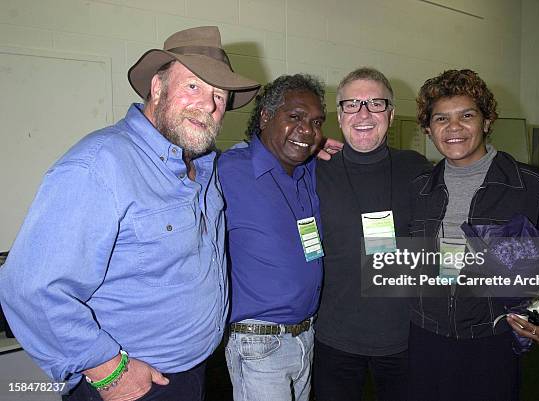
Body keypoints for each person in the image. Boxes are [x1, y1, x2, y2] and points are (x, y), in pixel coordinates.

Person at [0, 26, 260, 401]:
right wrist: (109, 371)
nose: (208, 105)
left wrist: (310, 153)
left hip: (194, 372)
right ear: (157, 87)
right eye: (194, 87)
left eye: (219, 95)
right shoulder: (101, 165)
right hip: (134, 384)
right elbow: (28, 289)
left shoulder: (204, 166)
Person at [406, 68, 539, 401]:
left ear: (487, 121)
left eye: (466, 115)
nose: (454, 128)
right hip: (425, 338)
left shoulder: (530, 188)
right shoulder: (417, 190)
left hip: (495, 338)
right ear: (428, 129)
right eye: (441, 119)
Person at [313, 67, 431, 401]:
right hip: (334, 339)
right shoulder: (314, 170)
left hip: (405, 338)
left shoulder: (417, 169)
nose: (363, 113)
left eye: (375, 104)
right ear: (339, 115)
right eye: (352, 104)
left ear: (391, 115)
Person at [218, 74, 326, 401]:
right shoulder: (227, 171)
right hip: (259, 342)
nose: (307, 130)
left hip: (306, 337)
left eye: (316, 122)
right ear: (265, 117)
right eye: (294, 117)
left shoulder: (309, 172)